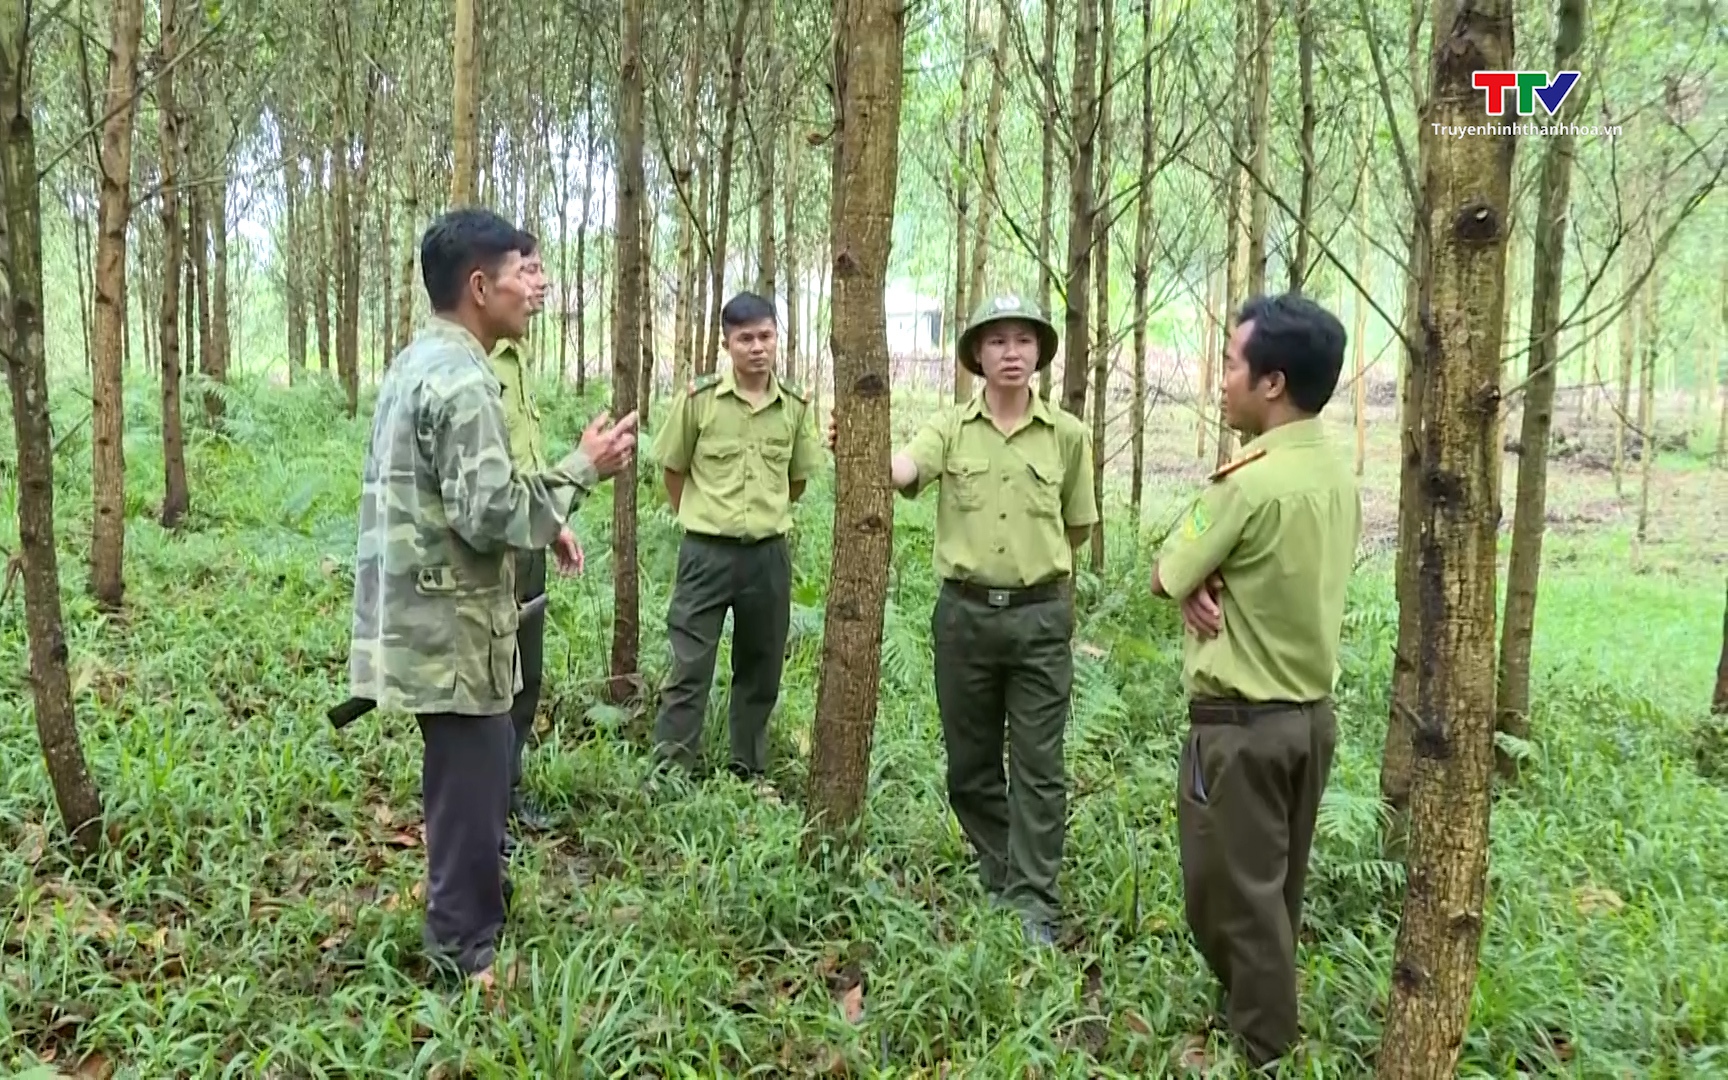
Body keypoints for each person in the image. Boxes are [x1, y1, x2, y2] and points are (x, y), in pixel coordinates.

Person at [346, 208, 637, 986]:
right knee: (472, 791)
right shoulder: (465, 379)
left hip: (429, 615)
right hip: (453, 625)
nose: (534, 290)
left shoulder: (420, 360)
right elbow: (490, 516)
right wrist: (584, 467)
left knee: (462, 783)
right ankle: (463, 954)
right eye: (520, 273)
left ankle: (465, 921)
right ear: (479, 286)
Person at [828, 292, 1097, 945]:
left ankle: (1034, 900)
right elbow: (901, 471)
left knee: (1038, 764)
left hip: (1038, 619)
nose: (1012, 353)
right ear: (977, 353)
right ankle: (1003, 870)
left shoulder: (1067, 436)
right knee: (969, 766)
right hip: (965, 619)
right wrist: (857, 446)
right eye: (998, 341)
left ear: (1039, 354)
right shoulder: (949, 428)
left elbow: (1079, 525)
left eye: (1024, 341)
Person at [1149, 292, 1361, 1069]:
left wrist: (1194, 582)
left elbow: (1165, 574)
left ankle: (1265, 1054)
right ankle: (1254, 1018)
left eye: (1232, 364)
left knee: (1232, 903)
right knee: (1275, 892)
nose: (1221, 380)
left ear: (1272, 383)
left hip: (1239, 730)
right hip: (1309, 721)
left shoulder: (1247, 482)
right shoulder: (1335, 473)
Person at [649, 291, 823, 783]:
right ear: (727, 344)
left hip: (767, 557)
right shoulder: (699, 400)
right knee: (689, 664)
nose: (757, 348)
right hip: (705, 554)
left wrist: (763, 517)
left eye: (765, 336)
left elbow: (798, 479)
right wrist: (702, 517)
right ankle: (670, 769)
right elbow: (674, 469)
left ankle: (748, 769)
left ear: (776, 339)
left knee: (761, 666)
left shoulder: (793, 406)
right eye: (745, 338)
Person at [486, 229, 584, 841]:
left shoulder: (516, 356)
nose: (541, 281)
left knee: (527, 672)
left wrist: (554, 525)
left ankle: (508, 789)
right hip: (491, 546)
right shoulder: (476, 363)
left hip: (528, 534)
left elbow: (527, 459)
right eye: (529, 269)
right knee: (495, 678)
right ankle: (483, 808)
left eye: (543, 268)